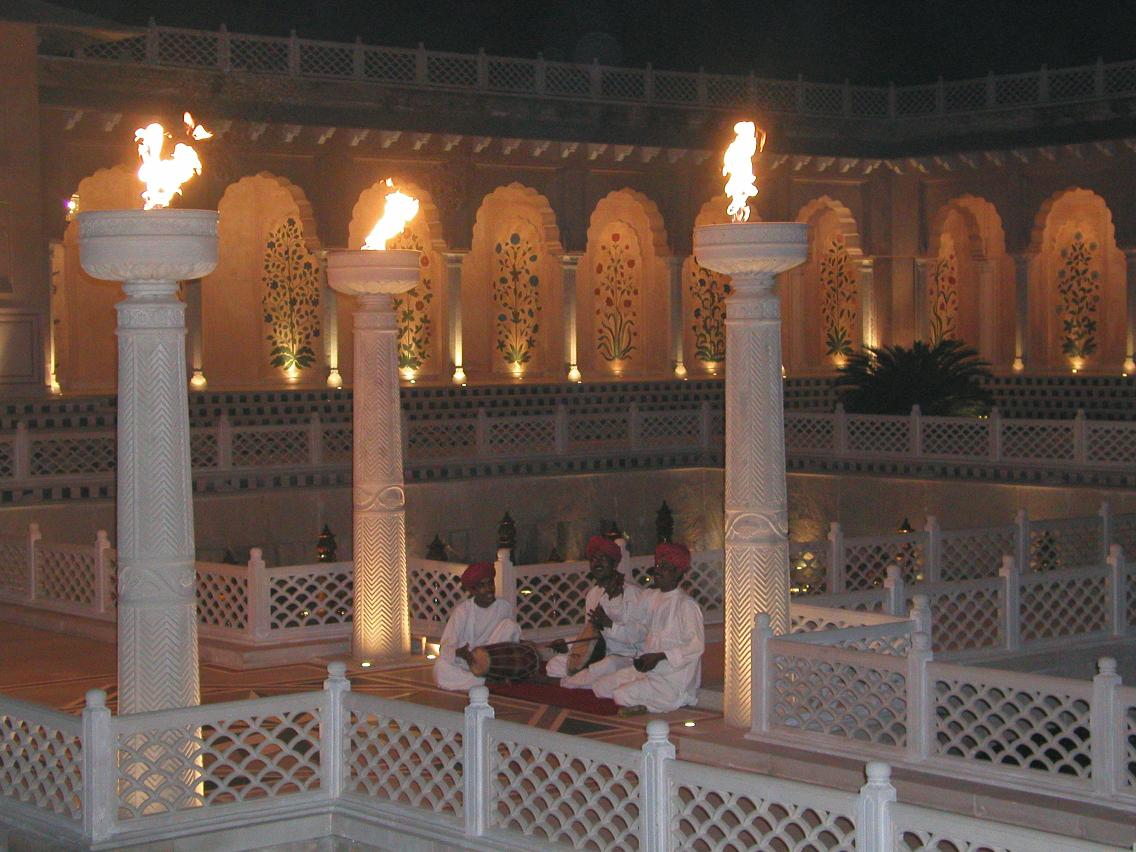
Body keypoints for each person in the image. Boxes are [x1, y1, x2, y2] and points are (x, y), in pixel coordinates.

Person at [592, 542, 704, 714]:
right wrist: (614, 596)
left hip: (671, 678)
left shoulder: (686, 605)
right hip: (647, 669)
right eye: (658, 565)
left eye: (664, 567)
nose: (657, 570)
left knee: (621, 695)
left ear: (679, 572)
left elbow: (696, 646)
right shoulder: (651, 597)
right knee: (600, 687)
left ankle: (659, 703)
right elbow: (628, 620)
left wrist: (660, 656)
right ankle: (645, 701)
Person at [545, 535, 651, 689]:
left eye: (603, 558)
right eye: (593, 559)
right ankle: (590, 680)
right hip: (600, 653)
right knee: (554, 665)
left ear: (614, 563)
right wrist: (567, 644)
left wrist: (609, 625)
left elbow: (641, 635)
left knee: (603, 667)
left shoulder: (633, 594)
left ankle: (582, 681)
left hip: (627, 657)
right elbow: (591, 636)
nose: (597, 563)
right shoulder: (593, 595)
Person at [433, 561, 521, 692]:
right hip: (468, 662)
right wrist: (461, 653)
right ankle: (486, 681)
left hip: (492, 662)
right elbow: (446, 646)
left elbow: (509, 637)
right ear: (472, 590)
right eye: (482, 586)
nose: (489, 589)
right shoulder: (462, 611)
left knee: (511, 626)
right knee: (440, 668)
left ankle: (487, 678)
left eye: (490, 583)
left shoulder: (504, 607)